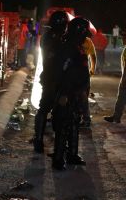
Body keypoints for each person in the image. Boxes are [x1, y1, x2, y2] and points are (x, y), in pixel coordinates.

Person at [51, 17, 92, 170]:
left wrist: (83, 90)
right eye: (84, 34)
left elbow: (81, 72)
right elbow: (62, 73)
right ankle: (58, 159)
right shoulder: (67, 48)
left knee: (74, 123)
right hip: (67, 93)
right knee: (63, 126)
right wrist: (63, 94)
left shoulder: (77, 47)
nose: (86, 38)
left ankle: (72, 155)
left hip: (77, 93)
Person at [33, 10, 69, 153]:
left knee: (47, 109)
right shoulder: (55, 38)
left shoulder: (49, 36)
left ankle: (41, 140)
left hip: (51, 78)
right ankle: (41, 140)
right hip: (54, 79)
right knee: (49, 110)